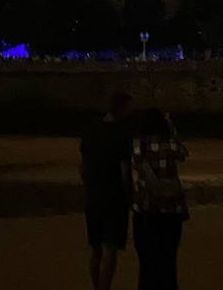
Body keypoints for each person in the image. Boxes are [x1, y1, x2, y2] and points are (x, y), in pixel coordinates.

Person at [131, 108, 189, 290]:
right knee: (168, 260)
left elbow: (134, 160)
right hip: (171, 208)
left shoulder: (139, 144)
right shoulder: (171, 144)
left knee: (147, 262)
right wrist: (171, 127)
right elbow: (183, 153)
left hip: (145, 208)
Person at [80, 91, 133, 290]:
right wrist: (129, 195)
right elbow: (124, 171)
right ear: (121, 108)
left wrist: (89, 186)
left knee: (95, 249)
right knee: (110, 249)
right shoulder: (121, 135)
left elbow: (83, 167)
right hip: (114, 197)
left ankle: (97, 287)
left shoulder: (91, 131)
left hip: (93, 196)